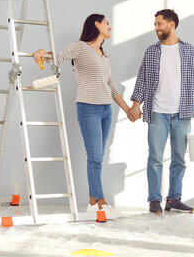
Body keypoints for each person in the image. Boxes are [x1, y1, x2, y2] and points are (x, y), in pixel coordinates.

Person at [33, 14, 136, 215]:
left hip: (106, 110)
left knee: (99, 157)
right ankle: (100, 201)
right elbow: (59, 57)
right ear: (96, 24)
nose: (110, 27)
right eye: (107, 23)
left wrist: (128, 110)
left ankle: (91, 200)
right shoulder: (80, 47)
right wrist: (42, 52)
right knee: (95, 158)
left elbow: (110, 86)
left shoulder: (104, 55)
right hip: (88, 108)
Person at [128, 9, 194, 214]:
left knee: (179, 159)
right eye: (155, 24)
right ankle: (155, 200)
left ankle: (173, 199)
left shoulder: (189, 50)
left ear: (171, 25)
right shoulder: (151, 51)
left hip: (183, 112)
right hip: (157, 112)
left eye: (159, 24)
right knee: (155, 158)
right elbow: (142, 79)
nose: (156, 28)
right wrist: (136, 103)